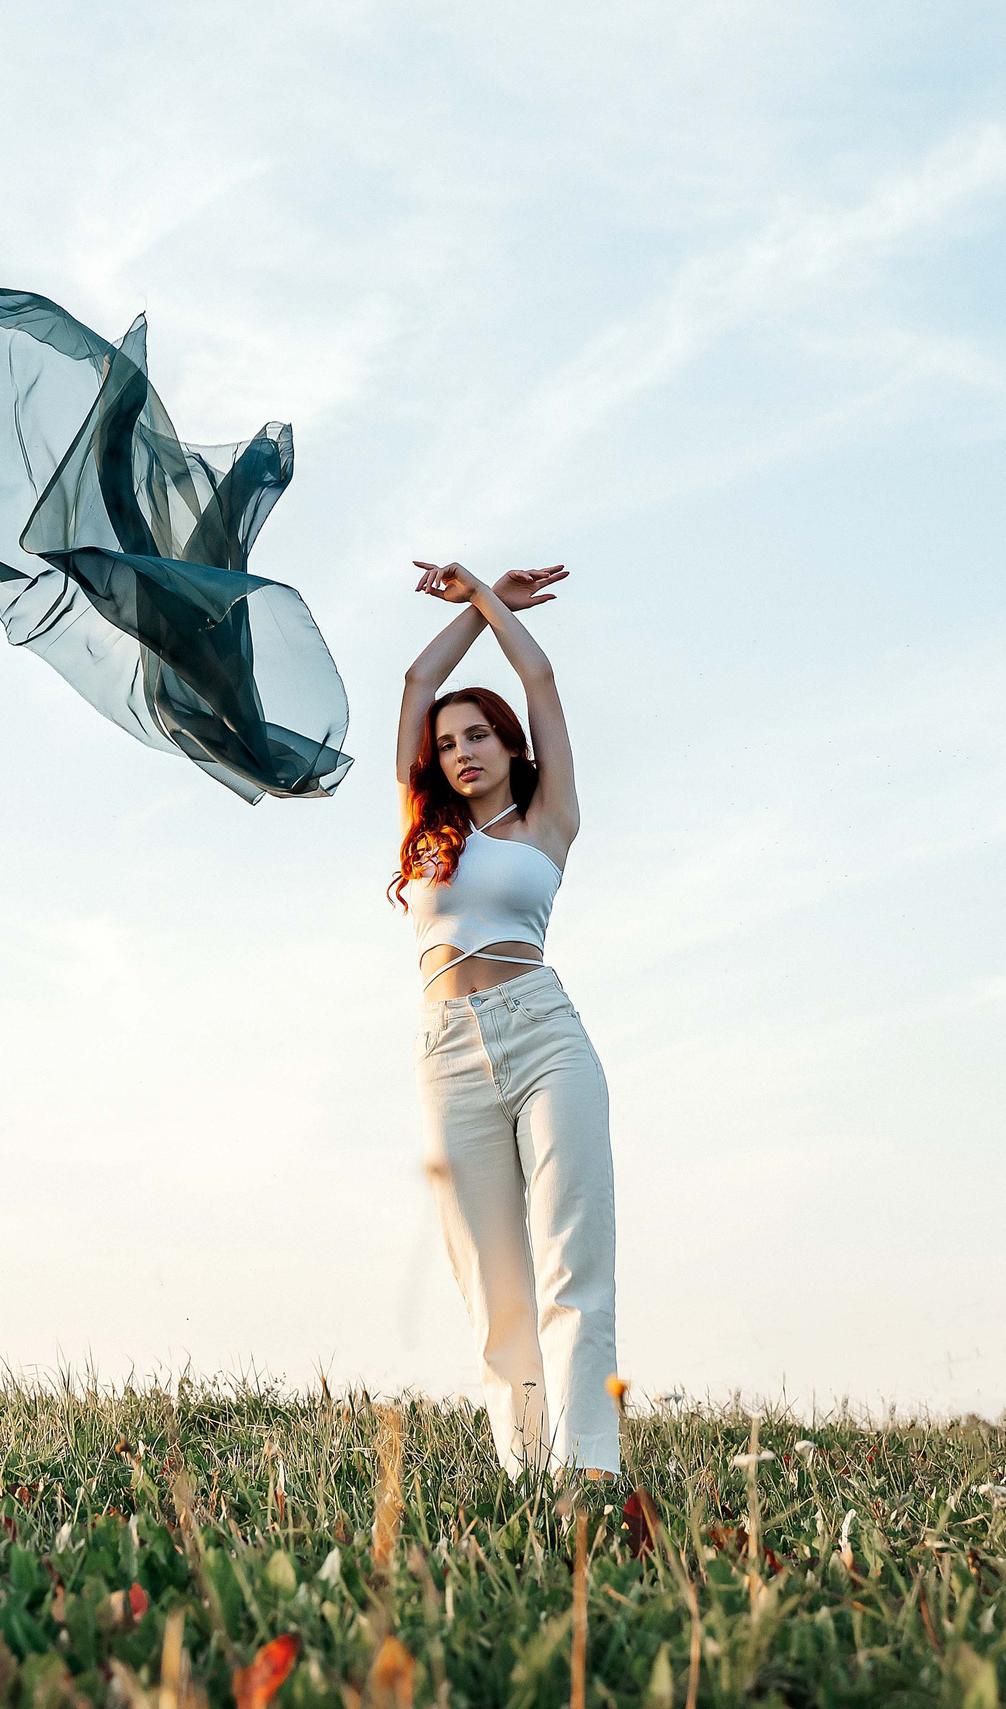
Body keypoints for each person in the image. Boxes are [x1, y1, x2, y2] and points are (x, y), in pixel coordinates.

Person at [392, 559, 619, 1481]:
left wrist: (488, 597)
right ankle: (526, 1475)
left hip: (545, 1035)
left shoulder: (547, 820)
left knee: (574, 1261)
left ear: (511, 746)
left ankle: (591, 1473)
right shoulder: (423, 829)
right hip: (447, 1052)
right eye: (448, 742)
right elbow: (415, 683)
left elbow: (543, 682)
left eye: (480, 734)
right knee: (493, 1288)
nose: (462, 751)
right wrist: (472, 615)